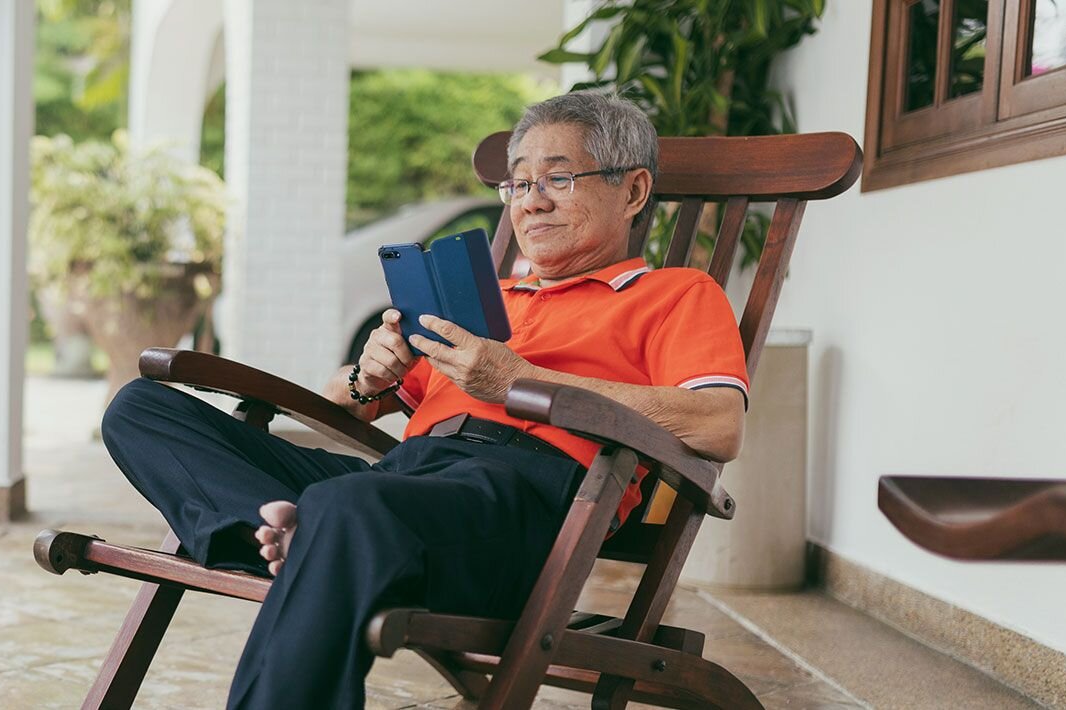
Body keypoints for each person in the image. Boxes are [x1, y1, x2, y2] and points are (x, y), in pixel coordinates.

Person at [99, 91, 750, 709]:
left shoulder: (673, 294)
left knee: (345, 505)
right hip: (401, 487)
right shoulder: (481, 303)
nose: (531, 203)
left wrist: (518, 382)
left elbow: (718, 425)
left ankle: (310, 533)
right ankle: (283, 533)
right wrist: (367, 374)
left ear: (631, 190)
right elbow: (336, 409)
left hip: (521, 506)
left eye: (558, 179)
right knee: (141, 407)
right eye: (518, 183)